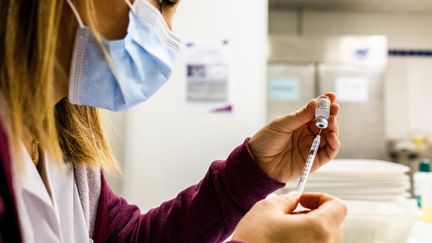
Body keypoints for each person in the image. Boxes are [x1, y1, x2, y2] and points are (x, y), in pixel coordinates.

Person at [0, 0, 347, 242]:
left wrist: (254, 169)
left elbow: (127, 239)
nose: (166, 31)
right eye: (165, 1)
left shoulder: (61, 141)